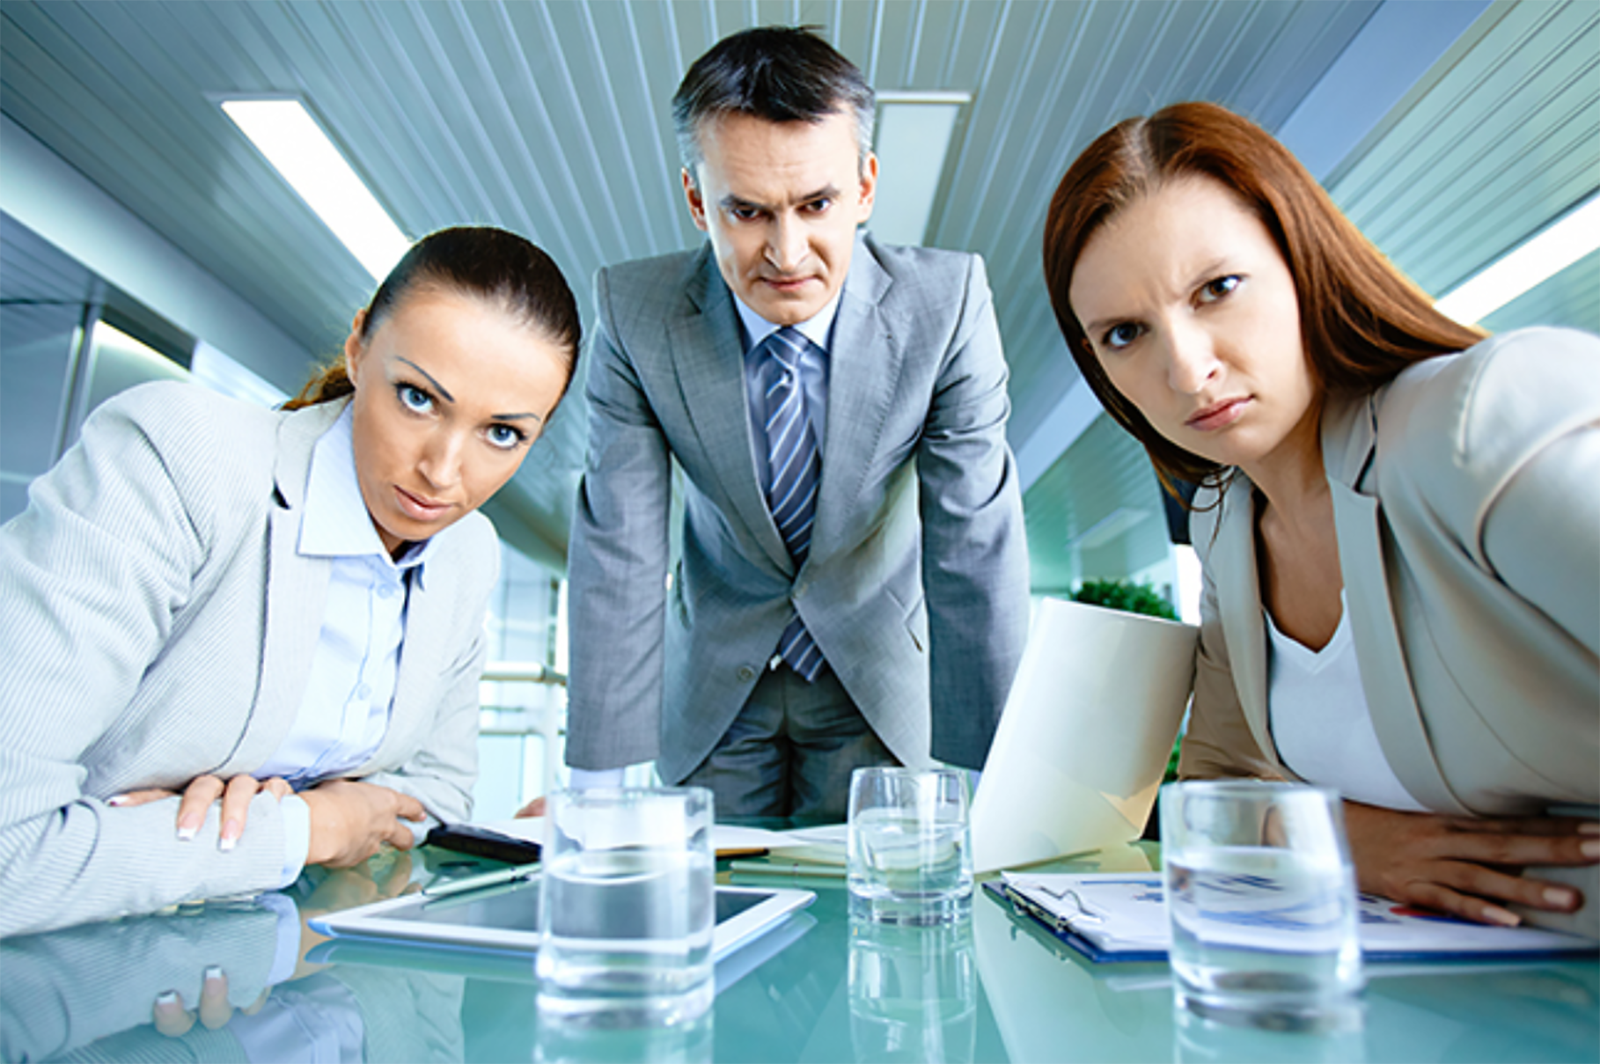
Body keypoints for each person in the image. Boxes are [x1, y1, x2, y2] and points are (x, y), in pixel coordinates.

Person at [1041, 100, 1600, 927]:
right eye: (1126, 334)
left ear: (1303, 261)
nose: (1188, 371)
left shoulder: (1477, 424)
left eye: (1218, 289)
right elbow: (1216, 797)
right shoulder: (1225, 524)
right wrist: (1337, 838)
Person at [0, 226, 580, 938]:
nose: (442, 471)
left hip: (268, 965)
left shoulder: (466, 553)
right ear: (359, 345)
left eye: (502, 434)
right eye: (418, 398)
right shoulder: (178, 461)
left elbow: (427, 803)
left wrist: (253, 825)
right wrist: (299, 830)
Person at [563, 26, 1030, 817]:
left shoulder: (946, 307)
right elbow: (620, 551)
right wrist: (599, 794)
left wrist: (995, 781)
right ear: (695, 201)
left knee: (876, 924)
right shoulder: (634, 314)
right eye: (746, 211)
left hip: (878, 684)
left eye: (817, 205)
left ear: (866, 187)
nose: (786, 253)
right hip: (712, 687)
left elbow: (973, 549)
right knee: (704, 918)